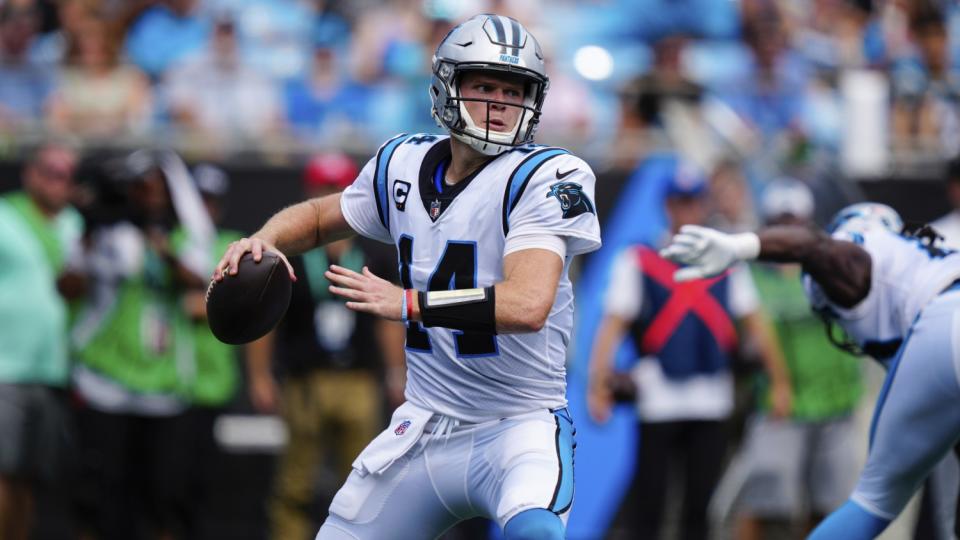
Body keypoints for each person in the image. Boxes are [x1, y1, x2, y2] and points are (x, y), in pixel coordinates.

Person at [213, 13, 601, 540]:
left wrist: (411, 304)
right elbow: (322, 217)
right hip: (425, 425)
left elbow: (528, 304)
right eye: (483, 84)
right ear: (445, 87)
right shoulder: (400, 161)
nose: (499, 102)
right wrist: (267, 238)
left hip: (519, 424)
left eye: (513, 90)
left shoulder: (548, 176)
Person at [660, 202, 960, 539]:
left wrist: (740, 246)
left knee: (873, 503)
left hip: (944, 326)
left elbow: (812, 244)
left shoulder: (861, 248)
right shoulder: (922, 256)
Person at [586, 162, 791, 540]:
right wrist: (597, 386)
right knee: (649, 504)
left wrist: (780, 382)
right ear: (667, 206)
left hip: (711, 399)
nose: (685, 212)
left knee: (699, 509)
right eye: (678, 203)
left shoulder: (726, 258)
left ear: (703, 205)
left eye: (692, 202)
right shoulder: (640, 259)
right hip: (657, 398)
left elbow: (756, 323)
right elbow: (612, 324)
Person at [256, 153, 407, 540]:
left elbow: (387, 323)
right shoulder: (292, 255)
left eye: (338, 187)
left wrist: (395, 374)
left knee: (361, 483)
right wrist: (260, 376)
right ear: (311, 191)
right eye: (324, 188)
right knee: (295, 483)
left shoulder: (374, 255)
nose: (331, 194)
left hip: (358, 379)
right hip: (305, 380)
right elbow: (266, 321)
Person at [730, 179, 862, 539]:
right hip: (780, 408)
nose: (788, 231)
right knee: (765, 506)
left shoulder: (833, 271)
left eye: (795, 222)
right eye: (779, 222)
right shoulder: (749, 274)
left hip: (836, 404)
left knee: (828, 510)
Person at [0, 142, 82, 540]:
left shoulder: (75, 225)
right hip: (5, 368)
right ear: (29, 174)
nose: (58, 182)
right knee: (2, 473)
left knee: (29, 478)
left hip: (51, 370)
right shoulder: (4, 216)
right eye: (50, 172)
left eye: (66, 175)